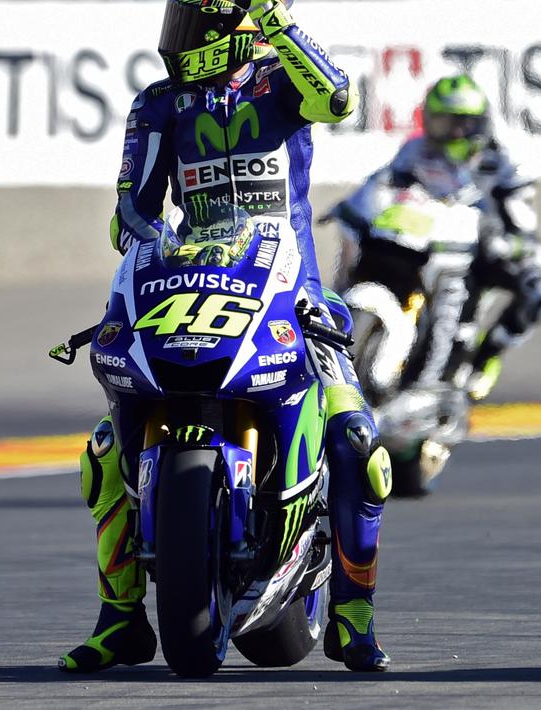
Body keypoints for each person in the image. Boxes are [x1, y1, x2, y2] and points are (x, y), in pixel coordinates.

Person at [58, 0, 392, 674]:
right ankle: (120, 618)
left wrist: (276, 23)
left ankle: (353, 616)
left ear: (236, 27)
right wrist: (153, 241)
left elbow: (337, 99)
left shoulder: (283, 82)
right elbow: (131, 212)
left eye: (193, 21)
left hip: (291, 289)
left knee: (356, 437)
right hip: (192, 280)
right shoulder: (159, 103)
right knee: (104, 449)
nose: (176, 36)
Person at [330, 75, 541, 400]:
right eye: (443, 122)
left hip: (490, 245)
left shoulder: (504, 164)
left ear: (480, 123)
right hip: (431, 240)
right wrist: (352, 205)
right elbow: (385, 183)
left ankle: (486, 356)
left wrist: (504, 242)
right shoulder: (417, 150)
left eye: (463, 123)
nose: (454, 132)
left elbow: (522, 226)